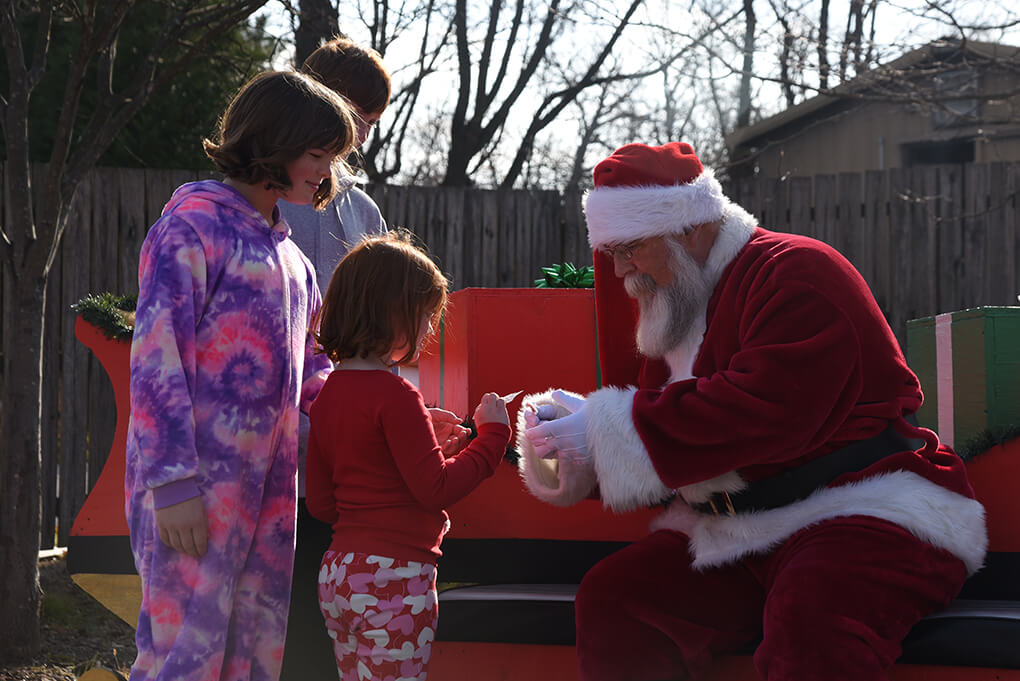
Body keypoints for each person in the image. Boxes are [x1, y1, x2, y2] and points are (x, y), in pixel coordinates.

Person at [518, 141, 988, 681]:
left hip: (862, 508)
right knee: (616, 599)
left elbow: (766, 408)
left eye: (631, 247)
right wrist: (575, 445)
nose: (621, 267)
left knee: (812, 622)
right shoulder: (674, 304)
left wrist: (608, 427)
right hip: (738, 531)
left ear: (688, 228)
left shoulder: (798, 273)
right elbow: (668, 438)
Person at [124, 70, 356, 681]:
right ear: (270, 143)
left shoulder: (295, 262)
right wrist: (172, 486)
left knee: (253, 659)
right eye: (316, 154)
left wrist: (374, 413)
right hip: (191, 490)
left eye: (333, 157)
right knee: (183, 656)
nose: (326, 172)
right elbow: (156, 359)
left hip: (273, 497)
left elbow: (315, 374)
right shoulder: (191, 230)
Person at [276, 37, 470, 679]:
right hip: (286, 425)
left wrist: (400, 406)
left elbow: (381, 308)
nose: (357, 130)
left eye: (369, 120)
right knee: (299, 602)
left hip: (348, 423)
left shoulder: (359, 208)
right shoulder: (278, 196)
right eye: (349, 110)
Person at [306, 230, 513, 681]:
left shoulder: (327, 395)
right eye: (424, 317)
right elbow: (434, 488)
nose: (429, 329)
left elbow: (323, 503)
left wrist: (424, 442)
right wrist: (492, 438)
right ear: (393, 315)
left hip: (339, 575)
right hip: (394, 580)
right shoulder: (398, 394)